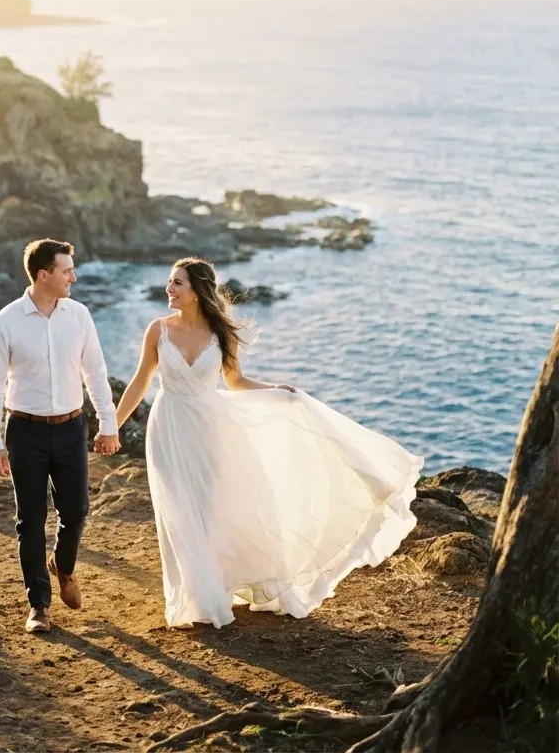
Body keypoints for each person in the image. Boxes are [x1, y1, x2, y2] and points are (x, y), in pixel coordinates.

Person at [115, 256, 423, 629]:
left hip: (210, 427)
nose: (169, 288)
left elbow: (236, 383)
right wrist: (111, 426)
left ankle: (218, 587)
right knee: (178, 509)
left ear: (196, 291)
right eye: (170, 282)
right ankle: (197, 598)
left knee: (210, 510)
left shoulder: (220, 333)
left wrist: (277, 391)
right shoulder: (158, 330)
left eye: (177, 283)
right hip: (169, 426)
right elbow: (139, 382)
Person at [0, 238, 121, 634]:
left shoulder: (79, 315)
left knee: (75, 511)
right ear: (44, 276)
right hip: (24, 430)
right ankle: (38, 606)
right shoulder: (5, 322)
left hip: (72, 427)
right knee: (31, 520)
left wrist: (107, 423)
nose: (73, 276)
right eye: (66, 270)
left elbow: (95, 371)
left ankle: (63, 564)